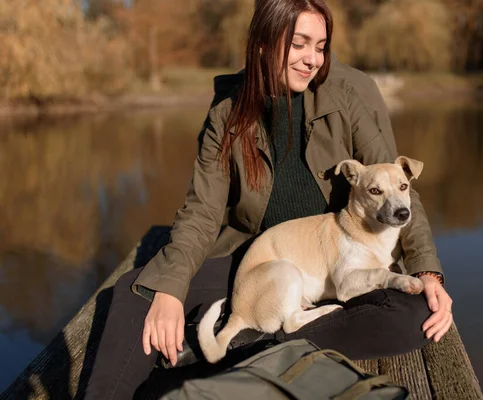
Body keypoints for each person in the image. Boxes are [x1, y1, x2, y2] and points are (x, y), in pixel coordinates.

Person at [85, 0, 453, 398]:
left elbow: (397, 188)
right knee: (134, 292)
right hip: (253, 257)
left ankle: (249, 350)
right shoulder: (228, 112)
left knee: (415, 314)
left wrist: (426, 271)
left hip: (342, 257)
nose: (313, 59)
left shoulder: (350, 94)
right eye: (299, 44)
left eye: (321, 46)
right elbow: (202, 212)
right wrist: (171, 290)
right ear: (263, 42)